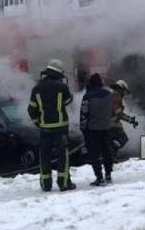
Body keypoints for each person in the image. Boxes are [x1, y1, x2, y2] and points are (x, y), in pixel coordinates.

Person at [28, 59, 76, 192]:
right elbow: (68, 100)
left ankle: (46, 184)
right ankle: (64, 183)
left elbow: (31, 109)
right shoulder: (62, 87)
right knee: (63, 155)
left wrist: (39, 123)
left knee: (44, 155)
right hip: (61, 128)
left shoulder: (36, 89)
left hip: (45, 129)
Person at [80, 73, 115, 186]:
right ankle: (108, 174)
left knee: (94, 154)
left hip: (92, 130)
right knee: (106, 151)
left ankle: (99, 177)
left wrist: (83, 129)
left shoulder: (87, 96)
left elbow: (84, 114)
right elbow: (112, 111)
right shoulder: (109, 94)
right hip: (106, 127)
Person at [109, 79, 138, 158]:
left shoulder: (112, 94)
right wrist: (130, 120)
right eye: (124, 91)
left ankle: (111, 154)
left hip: (106, 123)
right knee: (123, 138)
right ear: (121, 88)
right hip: (111, 124)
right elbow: (118, 113)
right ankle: (111, 154)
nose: (124, 94)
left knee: (115, 140)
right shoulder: (116, 96)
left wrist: (130, 120)